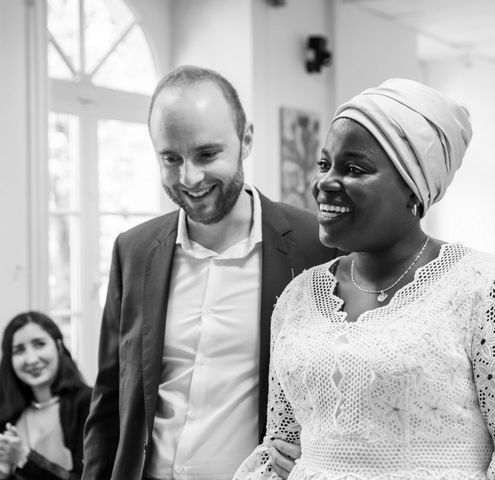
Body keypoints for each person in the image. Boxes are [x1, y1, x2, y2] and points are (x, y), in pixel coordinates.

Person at [234, 79, 495, 479]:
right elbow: (282, 448)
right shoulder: (297, 297)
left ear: (415, 189)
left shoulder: (489, 288)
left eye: (354, 168)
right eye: (325, 164)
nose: (325, 181)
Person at [81, 65, 337, 480]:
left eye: (206, 154)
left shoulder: (315, 246)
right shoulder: (133, 250)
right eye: (171, 158)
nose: (189, 178)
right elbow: (110, 399)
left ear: (246, 140)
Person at [0, 311, 92, 480]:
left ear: (58, 346)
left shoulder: (88, 404)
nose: (31, 359)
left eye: (39, 344)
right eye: (19, 350)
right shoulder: (7, 412)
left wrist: (22, 457)